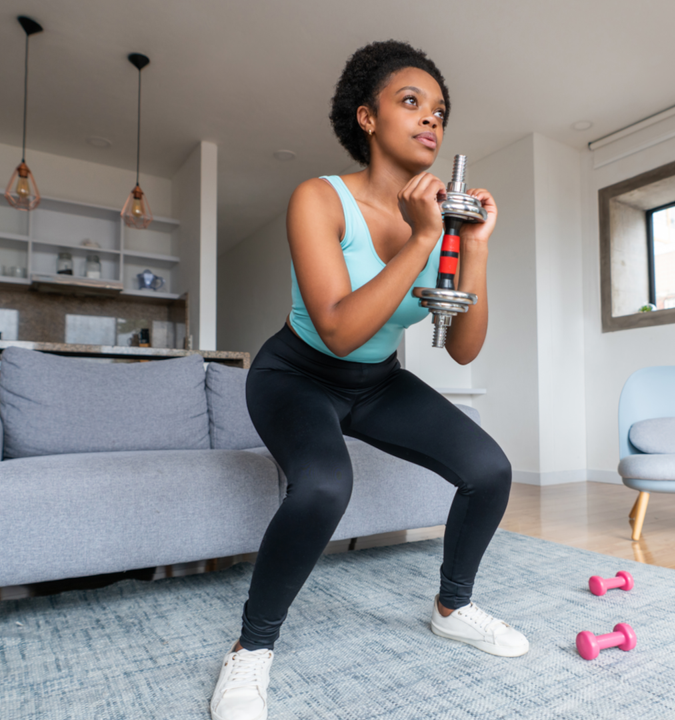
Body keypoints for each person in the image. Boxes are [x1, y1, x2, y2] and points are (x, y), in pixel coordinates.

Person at [209, 40, 527, 720]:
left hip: (378, 382)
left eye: (439, 110)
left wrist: (472, 246)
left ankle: (453, 607)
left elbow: (465, 348)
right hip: (295, 374)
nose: (430, 120)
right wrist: (419, 238)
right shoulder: (318, 198)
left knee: (490, 470)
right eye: (410, 102)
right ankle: (250, 650)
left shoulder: (446, 223)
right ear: (366, 118)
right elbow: (338, 330)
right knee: (325, 484)